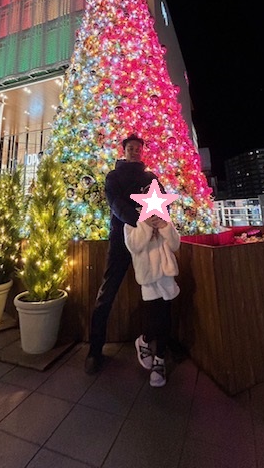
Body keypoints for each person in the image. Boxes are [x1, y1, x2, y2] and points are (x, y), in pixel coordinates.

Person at [84, 133, 161, 374]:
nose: (135, 151)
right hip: (121, 240)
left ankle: (153, 342)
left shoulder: (150, 177)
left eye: (138, 148)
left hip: (148, 242)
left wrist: (156, 221)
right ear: (124, 150)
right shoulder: (113, 176)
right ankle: (94, 351)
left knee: (156, 292)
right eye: (131, 148)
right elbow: (116, 204)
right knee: (107, 293)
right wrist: (141, 220)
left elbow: (162, 203)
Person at [124, 205, 180, 387]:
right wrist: (146, 224)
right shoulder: (132, 222)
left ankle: (160, 359)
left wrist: (165, 227)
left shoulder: (163, 218)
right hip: (148, 278)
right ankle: (144, 340)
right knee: (153, 319)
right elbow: (134, 246)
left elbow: (175, 245)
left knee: (165, 318)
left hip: (166, 276)